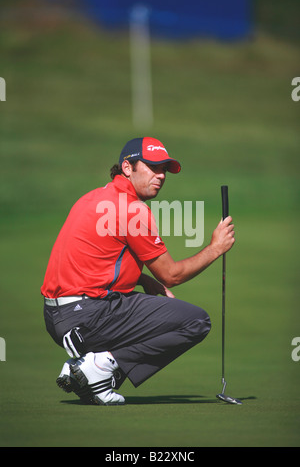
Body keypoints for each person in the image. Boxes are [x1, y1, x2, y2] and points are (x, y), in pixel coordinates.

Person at [41, 137, 235, 406]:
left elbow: (93, 262)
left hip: (57, 316)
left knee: (150, 305)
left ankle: (89, 372)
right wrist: (215, 248)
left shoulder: (94, 197)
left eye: (164, 169)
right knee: (196, 322)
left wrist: (143, 279)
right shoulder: (132, 210)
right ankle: (98, 364)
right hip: (86, 317)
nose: (161, 175)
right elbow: (171, 276)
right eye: (153, 167)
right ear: (127, 167)